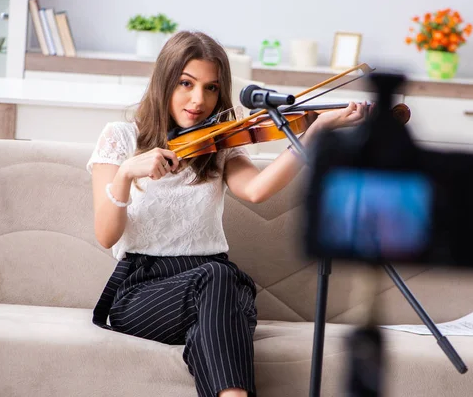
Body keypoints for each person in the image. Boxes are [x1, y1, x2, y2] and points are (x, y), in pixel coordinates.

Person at [86, 30, 369, 397]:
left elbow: (256, 189)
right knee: (219, 281)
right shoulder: (120, 138)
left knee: (217, 295)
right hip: (143, 290)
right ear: (164, 82)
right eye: (186, 83)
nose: (197, 100)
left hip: (217, 287)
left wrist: (312, 134)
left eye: (211, 88)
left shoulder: (218, 145)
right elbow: (106, 236)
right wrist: (125, 173)